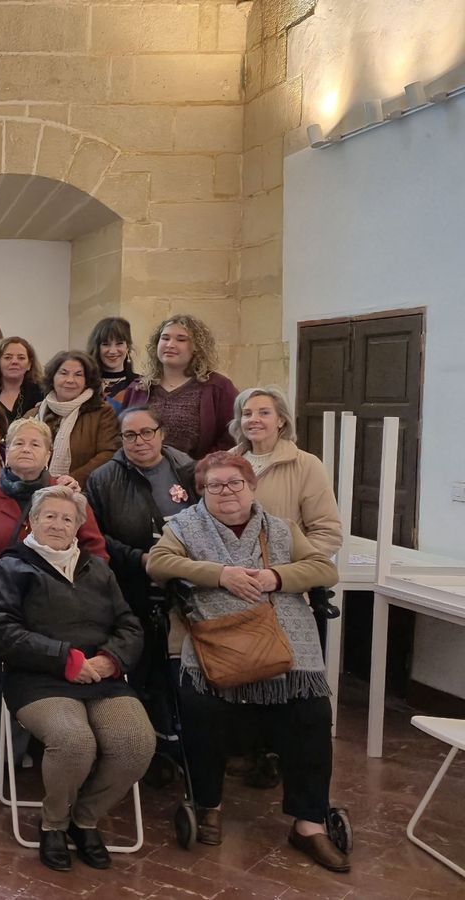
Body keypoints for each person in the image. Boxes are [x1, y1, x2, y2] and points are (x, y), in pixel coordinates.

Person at [145, 452, 346, 872]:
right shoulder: (183, 527)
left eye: (234, 483)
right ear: (202, 492)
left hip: (285, 644)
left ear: (251, 487)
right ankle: (209, 805)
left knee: (311, 712)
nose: (225, 492)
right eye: (214, 485)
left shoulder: (281, 529)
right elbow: (158, 563)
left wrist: (276, 577)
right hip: (215, 644)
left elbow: (323, 570)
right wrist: (219, 574)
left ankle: (309, 823)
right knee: (201, 705)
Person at [0, 486, 153, 871]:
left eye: (67, 518)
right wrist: (65, 659)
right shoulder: (9, 568)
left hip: (103, 677)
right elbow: (1, 631)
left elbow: (130, 624)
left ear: (78, 526)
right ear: (32, 521)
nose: (57, 524)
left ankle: (85, 818)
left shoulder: (99, 570)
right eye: (49, 516)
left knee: (136, 743)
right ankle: (54, 822)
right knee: (74, 740)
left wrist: (111, 660)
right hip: (39, 679)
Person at [85, 406, 197, 766]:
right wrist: (140, 559)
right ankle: (142, 751)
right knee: (141, 668)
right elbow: (96, 536)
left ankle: (179, 744)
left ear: (161, 433)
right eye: (130, 435)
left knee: (181, 671)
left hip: (186, 588)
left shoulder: (188, 469)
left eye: (147, 432)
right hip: (131, 585)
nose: (140, 441)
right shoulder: (104, 479)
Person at [0, 418, 109, 561]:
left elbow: (95, 551)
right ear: (7, 452)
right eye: (19, 443)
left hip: (58, 583)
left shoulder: (66, 493)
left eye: (35, 445)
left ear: (47, 456)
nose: (26, 449)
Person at [231, 387, 342, 558]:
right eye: (247, 414)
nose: (254, 420)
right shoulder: (223, 462)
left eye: (264, 413)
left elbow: (327, 532)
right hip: (229, 574)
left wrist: (290, 570)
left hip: (283, 576)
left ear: (281, 420)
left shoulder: (306, 465)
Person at [119, 314, 239, 459]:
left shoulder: (217, 387)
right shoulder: (139, 388)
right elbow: (122, 436)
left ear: (197, 347)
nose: (170, 345)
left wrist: (202, 468)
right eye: (165, 338)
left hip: (194, 476)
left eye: (181, 339)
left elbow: (232, 436)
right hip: (139, 475)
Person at [31, 350, 121, 484]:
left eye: (78, 375)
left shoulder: (103, 413)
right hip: (35, 492)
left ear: (87, 381)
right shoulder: (34, 414)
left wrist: (69, 481)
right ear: (52, 378)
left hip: (83, 493)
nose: (70, 380)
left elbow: (108, 454)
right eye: (63, 373)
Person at [88, 316, 137, 404]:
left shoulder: (142, 386)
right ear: (97, 348)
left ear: (127, 347)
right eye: (106, 344)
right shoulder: (85, 384)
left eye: (119, 344)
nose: (113, 351)